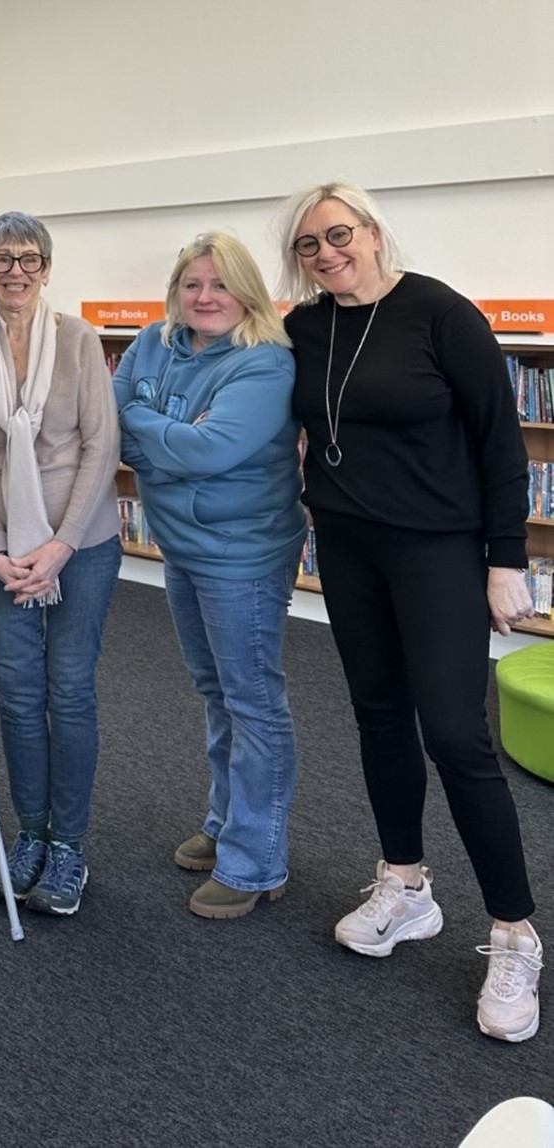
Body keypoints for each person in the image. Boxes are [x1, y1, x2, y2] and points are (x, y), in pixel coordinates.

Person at [279, 178, 542, 1041]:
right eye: (309, 245)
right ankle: (406, 885)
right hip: (347, 548)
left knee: (457, 735)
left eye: (337, 234)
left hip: (436, 549)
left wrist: (505, 560)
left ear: (372, 231)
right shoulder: (303, 327)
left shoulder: (440, 314)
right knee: (379, 719)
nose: (326, 253)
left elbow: (501, 445)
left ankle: (513, 933)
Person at [112, 232, 305, 919]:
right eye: (192, 284)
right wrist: (161, 430)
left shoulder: (263, 362)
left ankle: (256, 862)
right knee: (216, 692)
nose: (204, 298)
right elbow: (115, 421)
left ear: (244, 291)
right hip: (183, 545)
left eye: (219, 284)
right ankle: (228, 824)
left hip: (243, 553)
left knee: (250, 698)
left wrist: (149, 430)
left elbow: (212, 449)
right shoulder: (153, 343)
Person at [0, 211, 121, 916]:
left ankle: (69, 847)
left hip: (80, 546)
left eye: (28, 258)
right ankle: (30, 835)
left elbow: (99, 449)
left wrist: (59, 545)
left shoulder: (78, 341)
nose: (14, 270)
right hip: (2, 554)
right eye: (0, 259)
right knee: (17, 692)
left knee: (69, 690)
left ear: (46, 269)